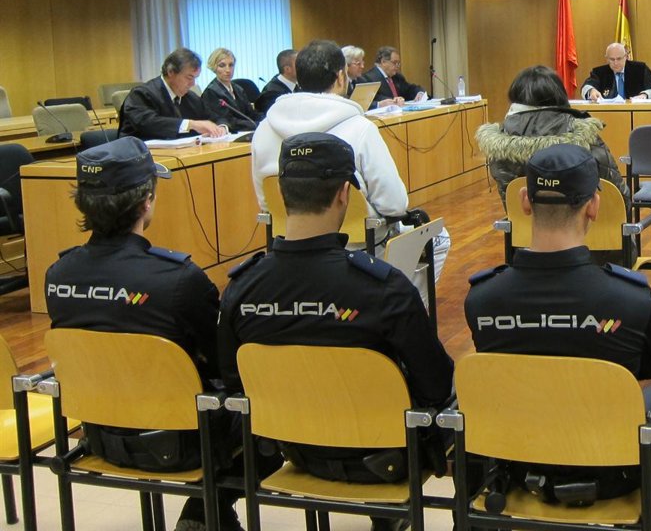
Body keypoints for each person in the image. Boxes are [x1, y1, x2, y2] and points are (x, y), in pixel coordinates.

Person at [220, 133, 453, 531]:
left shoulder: (240, 289)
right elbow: (436, 385)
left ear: (280, 192)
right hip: (384, 460)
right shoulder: (383, 288)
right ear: (345, 194)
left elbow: (232, 380)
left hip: (290, 449)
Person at [465, 144, 651, 513]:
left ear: (524, 202)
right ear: (594, 206)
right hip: (614, 473)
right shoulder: (631, 298)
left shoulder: (481, 299)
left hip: (515, 466)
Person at [44, 137, 241, 531]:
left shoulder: (57, 276)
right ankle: (204, 513)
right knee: (263, 407)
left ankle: (206, 516)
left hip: (101, 436)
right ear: (146, 201)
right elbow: (225, 363)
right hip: (184, 444)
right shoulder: (178, 279)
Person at [251, 39, 449, 305]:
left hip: (289, 244)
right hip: (358, 245)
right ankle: (398, 310)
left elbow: (266, 201)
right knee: (439, 238)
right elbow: (394, 204)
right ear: (341, 77)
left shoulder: (264, 130)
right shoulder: (359, 127)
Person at [476, 65, 629, 210]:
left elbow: (510, 203)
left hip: (527, 228)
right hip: (587, 227)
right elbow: (620, 198)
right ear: (559, 95)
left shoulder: (499, 142)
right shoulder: (582, 134)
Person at [119, 47, 226, 140]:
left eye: (195, 78)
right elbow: (149, 124)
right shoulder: (141, 94)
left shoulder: (191, 98)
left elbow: (214, 117)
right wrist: (191, 124)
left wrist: (221, 128)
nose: (193, 83)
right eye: (189, 77)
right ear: (171, 72)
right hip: (140, 155)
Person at [200, 47, 259, 132]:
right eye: (222, 65)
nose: (228, 70)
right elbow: (228, 121)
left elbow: (251, 113)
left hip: (248, 131)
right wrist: (256, 124)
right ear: (214, 68)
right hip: (231, 134)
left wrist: (266, 119)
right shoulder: (211, 92)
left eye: (231, 65)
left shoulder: (238, 89)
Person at [582, 43, 651, 101]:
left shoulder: (640, 69)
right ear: (607, 59)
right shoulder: (599, 72)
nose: (615, 63)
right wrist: (591, 91)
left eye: (619, 59)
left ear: (626, 57)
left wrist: (645, 95)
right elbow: (586, 87)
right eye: (612, 59)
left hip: (637, 112)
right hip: (608, 112)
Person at [253, 49, 297, 114]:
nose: (303, 67)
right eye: (299, 64)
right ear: (287, 69)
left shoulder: (296, 85)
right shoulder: (271, 94)